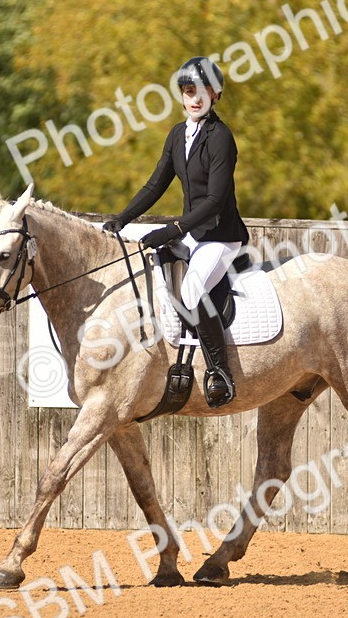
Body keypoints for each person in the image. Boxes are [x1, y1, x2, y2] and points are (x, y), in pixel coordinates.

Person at [103, 56, 250, 408]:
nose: (194, 98)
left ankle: (220, 371)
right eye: (188, 91)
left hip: (220, 236)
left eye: (201, 91)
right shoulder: (177, 134)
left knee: (193, 287)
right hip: (193, 234)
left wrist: (173, 229)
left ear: (215, 94)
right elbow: (155, 185)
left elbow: (215, 201)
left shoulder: (221, 138)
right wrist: (121, 219)